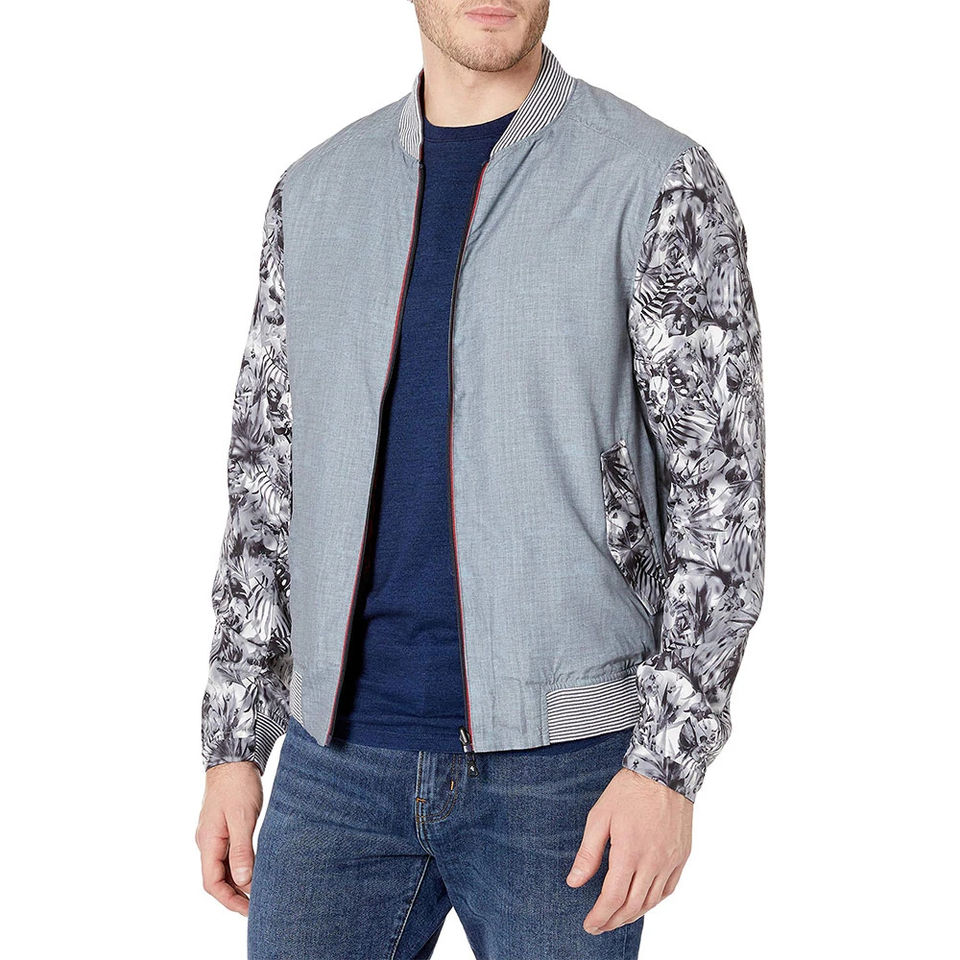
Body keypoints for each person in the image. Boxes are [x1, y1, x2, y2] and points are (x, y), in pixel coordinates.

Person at [196, 2, 766, 957]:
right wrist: (233, 740)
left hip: (570, 766)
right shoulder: (314, 193)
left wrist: (668, 766)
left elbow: (723, 503)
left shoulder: (655, 181)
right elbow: (264, 486)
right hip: (334, 766)